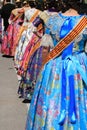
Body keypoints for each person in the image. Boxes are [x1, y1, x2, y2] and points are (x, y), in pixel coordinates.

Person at [25, 0, 87, 129]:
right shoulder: (85, 21)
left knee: (52, 98)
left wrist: (42, 72)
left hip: (54, 66)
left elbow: (46, 50)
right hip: (79, 66)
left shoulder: (51, 21)